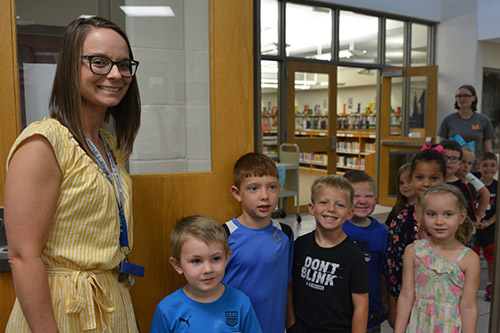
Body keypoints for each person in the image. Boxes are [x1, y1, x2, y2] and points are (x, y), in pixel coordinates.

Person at [4, 17, 142, 332]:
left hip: (111, 302)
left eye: (123, 65)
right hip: (61, 310)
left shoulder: (108, 145)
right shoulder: (43, 143)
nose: (115, 74)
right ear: (70, 67)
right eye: (99, 62)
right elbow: (23, 256)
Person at [150, 215, 262, 332]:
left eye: (216, 258)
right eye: (196, 261)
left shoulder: (241, 303)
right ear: (178, 265)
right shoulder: (167, 310)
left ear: (227, 258)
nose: (208, 269)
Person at [287, 175, 370, 333]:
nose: (331, 209)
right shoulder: (299, 245)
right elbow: (289, 287)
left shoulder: (353, 255)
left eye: (339, 204)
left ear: (350, 213)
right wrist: (290, 325)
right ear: (311, 208)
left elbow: (361, 306)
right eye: (324, 202)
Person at [222, 152, 294, 333]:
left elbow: (287, 285)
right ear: (237, 193)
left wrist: (291, 325)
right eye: (253, 188)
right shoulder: (223, 235)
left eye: (271, 187)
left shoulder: (285, 234)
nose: (265, 196)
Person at [394, 184, 480, 332]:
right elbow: (406, 296)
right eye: (432, 214)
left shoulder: (470, 259)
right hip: (419, 326)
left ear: (462, 216)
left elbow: (469, 307)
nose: (439, 222)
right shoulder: (413, 251)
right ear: (422, 215)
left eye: (448, 214)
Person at [385, 145, 446, 327]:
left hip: (445, 302)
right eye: (420, 178)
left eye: (434, 178)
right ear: (410, 180)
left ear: (445, 179)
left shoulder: (455, 220)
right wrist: (393, 306)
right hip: (410, 303)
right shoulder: (402, 221)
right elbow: (393, 267)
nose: (426, 183)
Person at [342, 171, 389, 332]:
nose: (362, 201)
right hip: (339, 312)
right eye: (356, 196)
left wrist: (385, 302)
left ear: (376, 200)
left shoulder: (382, 233)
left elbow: (383, 273)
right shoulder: (336, 227)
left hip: (371, 310)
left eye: (368, 196)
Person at [438, 84, 494, 161]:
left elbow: (488, 150)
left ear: (473, 98)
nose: (462, 98)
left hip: (476, 169)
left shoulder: (484, 120)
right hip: (453, 168)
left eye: (465, 96)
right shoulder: (448, 120)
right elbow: (441, 149)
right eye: (459, 96)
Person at [474, 152, 499, 301]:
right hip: (475, 227)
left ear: (497, 168)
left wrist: (488, 222)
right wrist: (475, 221)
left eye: (492, 165)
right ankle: (472, 284)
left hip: (490, 227)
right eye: (485, 165)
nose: (488, 169)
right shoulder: (474, 185)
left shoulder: (497, 186)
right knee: (473, 257)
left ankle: (490, 284)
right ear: (478, 167)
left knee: (491, 257)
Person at [440, 140, 478, 224]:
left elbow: (470, 218)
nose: (448, 161)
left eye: (454, 159)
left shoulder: (465, 187)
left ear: (459, 163)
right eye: (444, 157)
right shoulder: (429, 183)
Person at [456, 145, 489, 225]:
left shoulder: (469, 177)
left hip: (467, 221)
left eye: (470, 163)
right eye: (463, 161)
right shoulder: (448, 175)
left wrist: (478, 216)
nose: (466, 166)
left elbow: (486, 194)